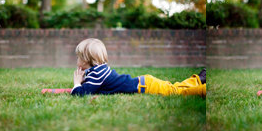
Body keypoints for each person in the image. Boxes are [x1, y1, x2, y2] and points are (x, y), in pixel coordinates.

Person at [71, 38, 206, 96]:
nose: (77, 59)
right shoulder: (99, 69)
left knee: (176, 92)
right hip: (145, 82)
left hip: (146, 86)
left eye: (78, 57)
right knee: (175, 87)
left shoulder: (96, 74)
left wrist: (77, 84)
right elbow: (93, 85)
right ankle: (198, 79)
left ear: (84, 61)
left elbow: (83, 93)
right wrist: (84, 80)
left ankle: (203, 90)